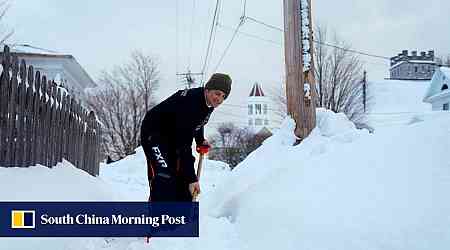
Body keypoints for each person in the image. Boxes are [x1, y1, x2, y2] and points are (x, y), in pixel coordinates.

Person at [140, 73, 232, 202]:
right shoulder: (191, 103)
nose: (220, 99)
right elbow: (184, 146)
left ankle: (179, 216)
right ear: (207, 90)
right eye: (217, 93)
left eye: (224, 96)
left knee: (181, 178)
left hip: (173, 136)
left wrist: (200, 140)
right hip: (154, 134)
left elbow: (198, 123)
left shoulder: (208, 103)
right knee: (164, 175)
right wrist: (192, 179)